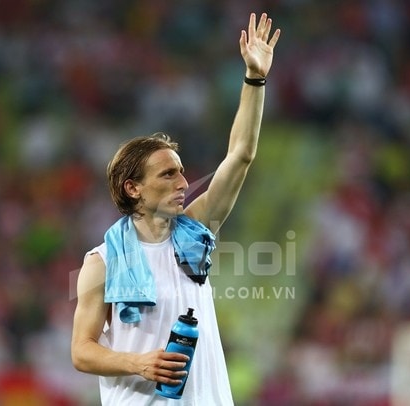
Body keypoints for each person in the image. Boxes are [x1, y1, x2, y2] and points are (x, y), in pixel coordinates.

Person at [71, 12, 280, 405]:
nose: (184, 184)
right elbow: (81, 351)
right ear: (133, 188)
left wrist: (255, 79)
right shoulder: (101, 262)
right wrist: (138, 363)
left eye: (182, 173)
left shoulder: (197, 232)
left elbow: (241, 154)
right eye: (168, 175)